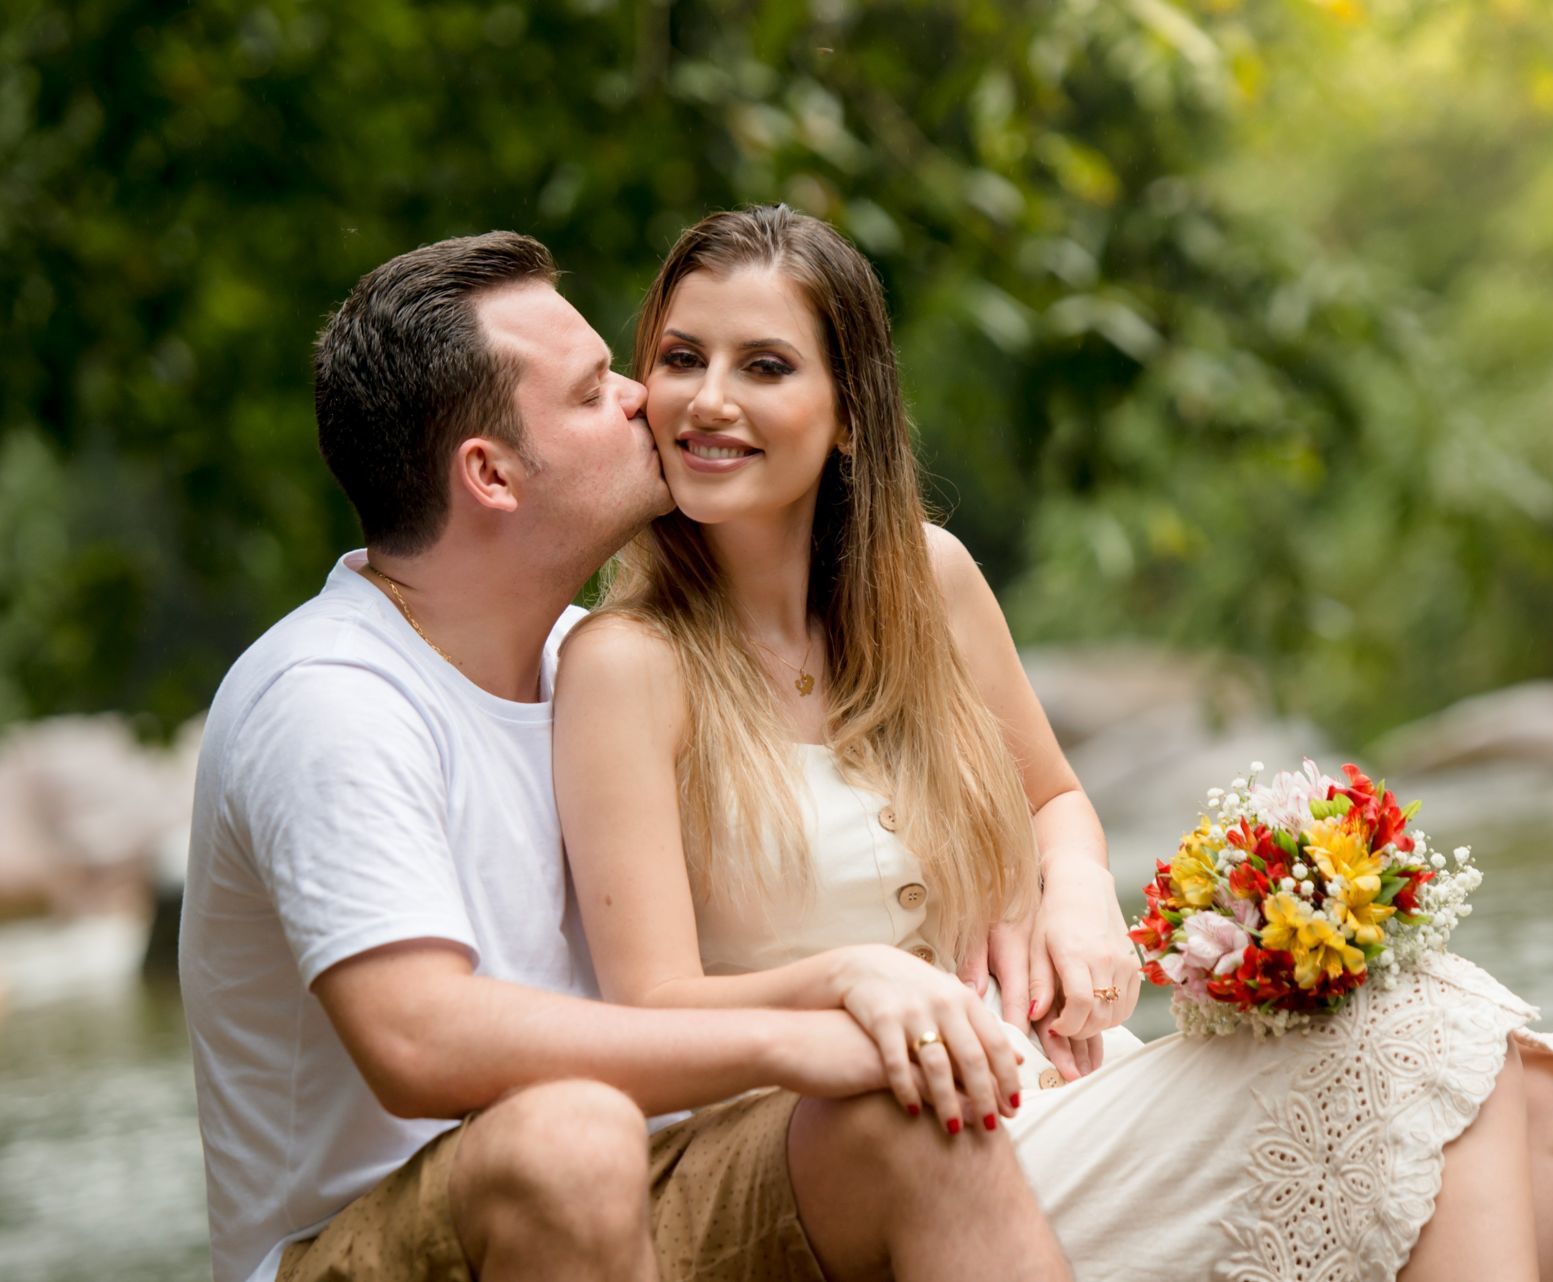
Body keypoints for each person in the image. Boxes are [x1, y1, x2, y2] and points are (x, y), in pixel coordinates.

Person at [553, 205, 1553, 1282]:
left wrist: (1079, 894)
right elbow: (650, 1009)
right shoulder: (629, 664)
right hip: (871, 1145)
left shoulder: (928, 581)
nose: (708, 398)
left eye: (764, 366)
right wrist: (856, 980)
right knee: (1424, 1028)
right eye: (683, 358)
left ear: (850, 414)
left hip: (1057, 1080)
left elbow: (1054, 799)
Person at [179, 231, 1075, 1282]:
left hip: (648, 1181)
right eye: (592, 388)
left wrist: (1026, 896)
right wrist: (805, 1023)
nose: (644, 397)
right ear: (491, 473)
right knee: (571, 1137)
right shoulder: (332, 699)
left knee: (911, 1114)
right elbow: (418, 1039)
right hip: (368, 1242)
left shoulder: (589, 662)